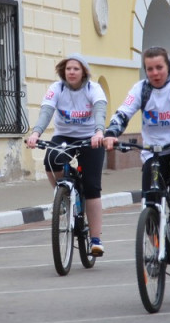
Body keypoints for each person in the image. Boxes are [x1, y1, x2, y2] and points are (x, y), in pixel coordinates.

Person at [103, 46, 170, 253]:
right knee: (149, 198)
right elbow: (123, 113)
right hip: (155, 150)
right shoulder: (140, 90)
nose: (155, 73)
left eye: (159, 67)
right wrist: (111, 134)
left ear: (168, 66)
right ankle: (156, 251)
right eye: (150, 69)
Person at [25, 55, 108, 256]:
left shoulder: (93, 89)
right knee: (51, 161)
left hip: (90, 138)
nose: (71, 72)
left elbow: (99, 110)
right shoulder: (57, 88)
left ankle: (95, 240)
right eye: (68, 68)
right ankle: (63, 196)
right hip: (64, 136)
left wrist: (98, 132)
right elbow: (46, 111)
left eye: (76, 69)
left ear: (83, 72)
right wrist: (35, 133)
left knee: (92, 187)